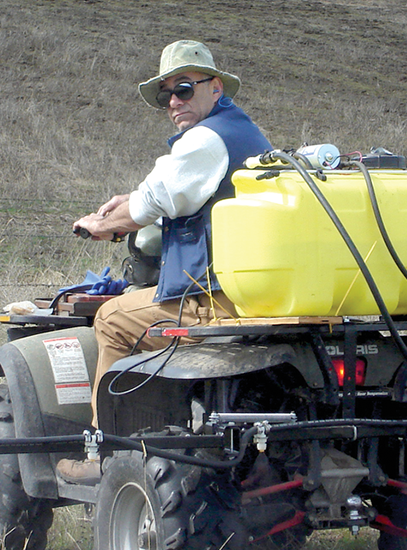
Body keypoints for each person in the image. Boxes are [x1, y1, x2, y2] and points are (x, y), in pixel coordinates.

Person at [56, 40, 271, 483]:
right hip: (256, 291)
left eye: (185, 88)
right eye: (166, 95)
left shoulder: (205, 140)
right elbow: (166, 191)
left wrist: (101, 224)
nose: (174, 102)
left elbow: (155, 199)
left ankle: (107, 455)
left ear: (215, 87)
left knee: (114, 317)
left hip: (217, 300)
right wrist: (127, 202)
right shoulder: (240, 131)